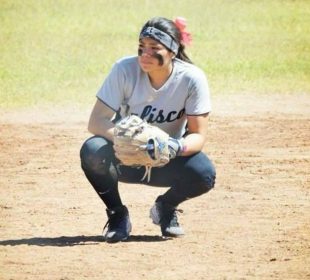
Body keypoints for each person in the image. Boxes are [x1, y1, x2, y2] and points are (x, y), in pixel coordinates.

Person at [80, 16, 216, 243]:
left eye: (154, 48)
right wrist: (130, 141)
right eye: (142, 47)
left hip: (165, 159)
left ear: (173, 50)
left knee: (204, 174)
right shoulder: (124, 69)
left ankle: (166, 206)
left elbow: (198, 136)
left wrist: (174, 146)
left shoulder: (192, 78)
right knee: (92, 150)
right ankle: (117, 215)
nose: (145, 54)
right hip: (125, 158)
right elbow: (96, 122)